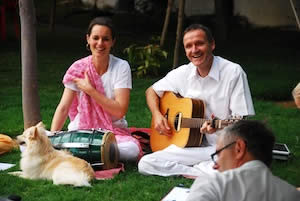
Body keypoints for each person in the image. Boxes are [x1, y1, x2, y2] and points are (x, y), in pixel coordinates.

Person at [138, 24, 255, 176]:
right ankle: (202, 170)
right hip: (191, 146)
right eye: (188, 46)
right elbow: (151, 91)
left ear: (212, 44)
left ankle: (196, 170)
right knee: (145, 163)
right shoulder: (183, 73)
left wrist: (218, 127)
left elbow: (241, 122)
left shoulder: (233, 72)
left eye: (199, 43)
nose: (194, 50)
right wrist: (157, 115)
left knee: (235, 165)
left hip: (224, 146)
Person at [50, 17, 142, 162]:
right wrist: (52, 137)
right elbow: (63, 107)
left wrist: (90, 90)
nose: (100, 43)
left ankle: (79, 153)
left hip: (112, 131)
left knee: (131, 150)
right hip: (81, 130)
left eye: (105, 39)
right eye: (96, 38)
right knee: (43, 140)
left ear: (113, 42)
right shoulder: (78, 68)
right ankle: (94, 153)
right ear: (88, 39)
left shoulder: (121, 67)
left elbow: (120, 110)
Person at [186, 120, 300, 201]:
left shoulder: (212, 184)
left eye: (218, 154)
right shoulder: (292, 195)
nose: (215, 166)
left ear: (239, 148)